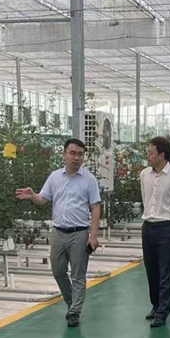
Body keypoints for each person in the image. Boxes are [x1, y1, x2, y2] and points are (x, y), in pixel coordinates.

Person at [15, 138, 102, 327]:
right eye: (73, 153)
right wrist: (33, 196)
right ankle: (71, 303)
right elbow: (43, 199)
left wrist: (93, 235)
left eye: (80, 154)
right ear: (64, 155)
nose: (76, 158)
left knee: (78, 275)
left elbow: (95, 207)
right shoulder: (55, 177)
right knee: (58, 271)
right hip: (58, 232)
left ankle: (75, 311)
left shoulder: (89, 180)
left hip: (79, 233)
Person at [140, 136, 170, 328]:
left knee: (166, 271)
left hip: (166, 228)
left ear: (162, 154)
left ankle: (163, 311)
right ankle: (156, 305)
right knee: (151, 269)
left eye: (151, 153)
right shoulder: (144, 175)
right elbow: (145, 198)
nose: (148, 156)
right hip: (147, 227)